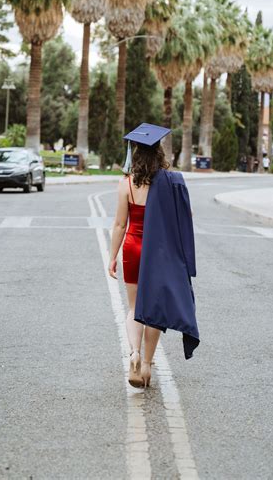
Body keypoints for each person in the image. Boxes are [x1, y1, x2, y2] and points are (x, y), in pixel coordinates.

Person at [108, 122, 200, 389]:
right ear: (159, 152)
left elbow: (119, 225)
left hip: (133, 249)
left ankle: (134, 354)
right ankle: (147, 364)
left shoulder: (126, 183)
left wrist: (112, 257)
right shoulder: (171, 183)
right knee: (155, 311)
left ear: (135, 152)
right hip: (159, 253)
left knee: (135, 308)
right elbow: (187, 217)